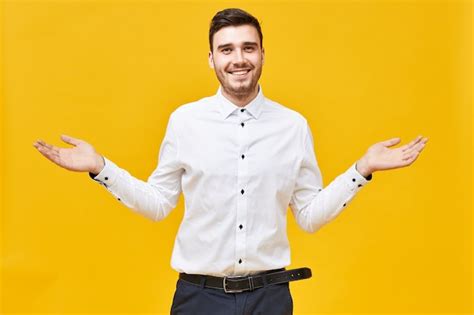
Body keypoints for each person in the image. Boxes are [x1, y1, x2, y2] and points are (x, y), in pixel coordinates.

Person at [33, 7, 428, 315]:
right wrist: (100, 167)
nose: (238, 59)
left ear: (261, 54)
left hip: (270, 299)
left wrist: (362, 170)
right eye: (227, 50)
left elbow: (308, 215)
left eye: (248, 48)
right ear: (211, 59)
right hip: (199, 299)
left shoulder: (293, 126)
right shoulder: (185, 121)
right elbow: (158, 204)